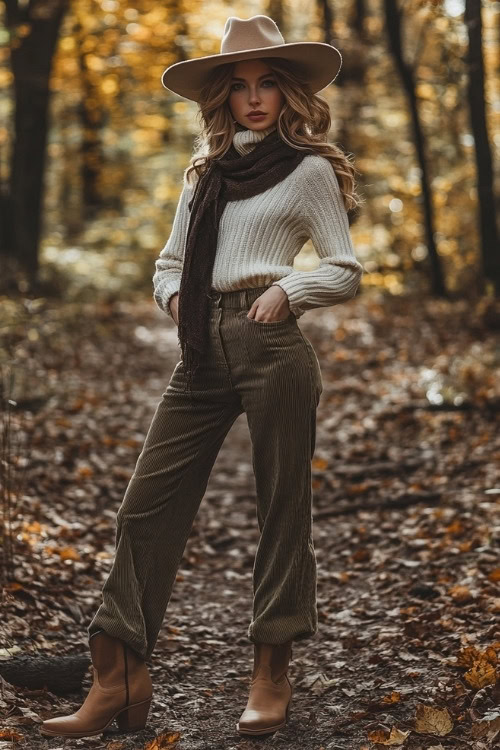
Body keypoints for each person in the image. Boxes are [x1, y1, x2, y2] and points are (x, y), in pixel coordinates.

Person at [40, 14, 364, 740]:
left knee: (283, 511)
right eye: (241, 87)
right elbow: (166, 263)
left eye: (268, 85)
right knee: (145, 508)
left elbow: (344, 266)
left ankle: (270, 672)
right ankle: (118, 676)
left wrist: (294, 290)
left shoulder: (309, 169)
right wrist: (176, 295)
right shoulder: (205, 177)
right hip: (200, 350)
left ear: (287, 94)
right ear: (222, 97)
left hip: (273, 343)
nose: (254, 99)